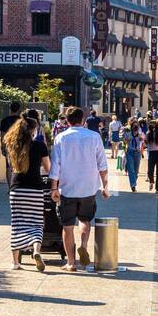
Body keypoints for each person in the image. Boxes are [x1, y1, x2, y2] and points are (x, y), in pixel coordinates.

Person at [49, 105, 110, 272]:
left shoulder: (61, 138)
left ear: (67, 121)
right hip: (88, 188)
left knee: (67, 226)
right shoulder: (94, 137)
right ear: (83, 120)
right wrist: (105, 186)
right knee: (84, 220)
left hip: (67, 188)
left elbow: (56, 165)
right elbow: (102, 165)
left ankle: (70, 263)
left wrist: (54, 188)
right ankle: (83, 245)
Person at [4, 113, 50, 271]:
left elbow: (12, 167)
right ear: (32, 130)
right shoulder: (39, 146)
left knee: (17, 224)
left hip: (16, 189)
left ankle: (15, 262)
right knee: (37, 223)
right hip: (35, 190)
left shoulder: (12, 145)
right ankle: (36, 251)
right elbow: (48, 168)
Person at [145, 121, 158, 194]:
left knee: (155, 171)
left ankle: (154, 185)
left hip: (155, 153)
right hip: (155, 153)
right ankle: (154, 185)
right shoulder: (150, 134)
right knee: (154, 171)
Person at [124, 122, 144, 191]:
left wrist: (141, 138)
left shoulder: (140, 134)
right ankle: (133, 184)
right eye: (134, 126)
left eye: (137, 126)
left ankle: (134, 181)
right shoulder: (128, 134)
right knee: (131, 169)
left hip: (137, 153)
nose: (136, 128)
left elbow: (143, 142)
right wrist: (127, 140)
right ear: (132, 127)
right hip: (130, 152)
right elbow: (125, 141)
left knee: (136, 170)